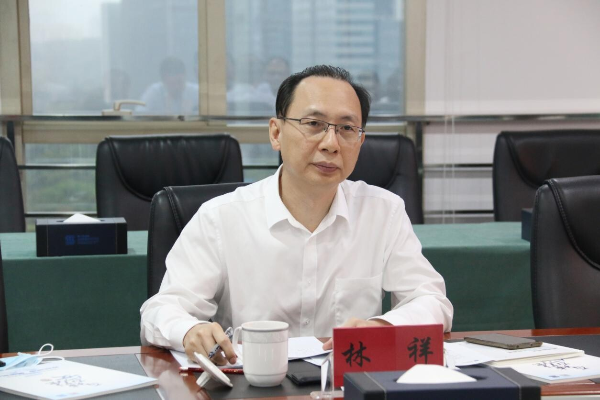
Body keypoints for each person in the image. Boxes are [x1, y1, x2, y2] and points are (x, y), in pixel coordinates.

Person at [140, 65, 453, 365]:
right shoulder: (220, 218)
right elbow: (162, 309)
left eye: (346, 129)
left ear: (360, 141)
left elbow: (431, 300)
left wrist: (383, 327)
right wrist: (190, 331)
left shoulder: (383, 212)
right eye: (314, 124)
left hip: (346, 383)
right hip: (251, 385)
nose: (331, 144)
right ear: (276, 133)